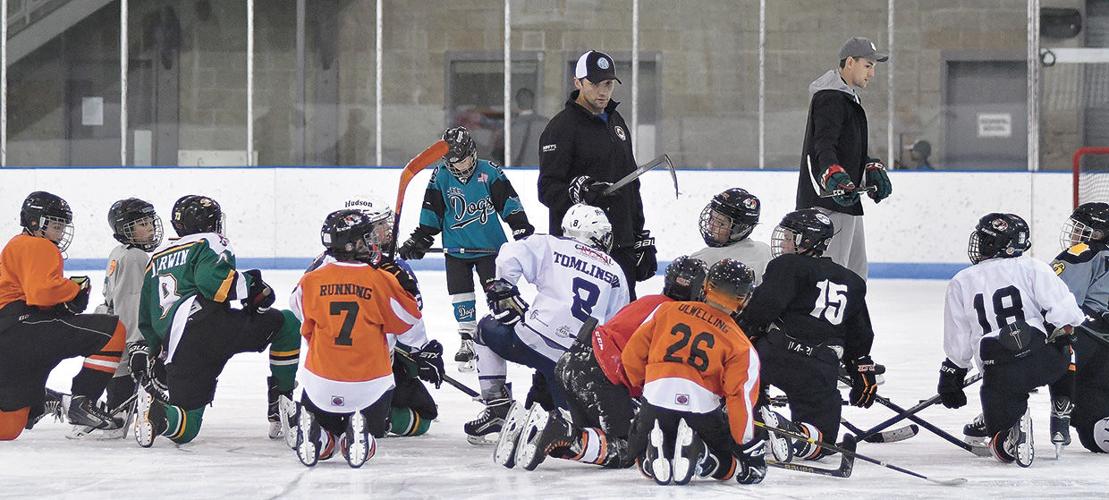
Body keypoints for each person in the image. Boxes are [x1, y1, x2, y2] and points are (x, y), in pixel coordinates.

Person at [133, 195, 303, 447]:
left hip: (176, 346)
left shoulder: (157, 256)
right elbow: (213, 284)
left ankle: (158, 415)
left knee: (186, 427)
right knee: (286, 323)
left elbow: (145, 317)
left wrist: (157, 352)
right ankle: (282, 401)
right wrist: (254, 285)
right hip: (207, 327)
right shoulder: (210, 241)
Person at [513, 256, 709, 471]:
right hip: (599, 373)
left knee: (596, 439)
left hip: (573, 359)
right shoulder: (678, 319)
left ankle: (527, 431)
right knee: (628, 449)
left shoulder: (649, 301)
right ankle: (558, 430)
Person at [465, 204, 629, 452]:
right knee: (570, 431)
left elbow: (509, 253)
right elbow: (617, 324)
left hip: (528, 338)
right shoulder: (615, 271)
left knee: (485, 329)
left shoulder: (551, 244)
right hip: (572, 361)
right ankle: (561, 421)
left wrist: (504, 286)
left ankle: (497, 405)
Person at [289, 209, 444, 468]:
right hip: (370, 385)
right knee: (388, 424)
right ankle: (361, 438)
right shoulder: (380, 279)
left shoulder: (310, 281)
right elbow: (408, 319)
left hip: (319, 383)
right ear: (354, 244)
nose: (371, 242)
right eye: (365, 237)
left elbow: (301, 316)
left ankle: (323, 440)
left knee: (326, 425)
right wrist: (404, 289)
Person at [936, 213, 1085, 467]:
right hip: (1043, 361)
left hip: (1000, 369)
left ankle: (1010, 429)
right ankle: (1061, 409)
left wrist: (952, 375)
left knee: (1001, 447)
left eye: (985, 238)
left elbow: (958, 342)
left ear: (1001, 244)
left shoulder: (962, 280)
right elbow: (1067, 316)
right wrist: (1059, 335)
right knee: (1067, 349)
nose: (979, 243)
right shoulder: (1034, 267)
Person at [736, 208, 879, 462]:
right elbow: (860, 334)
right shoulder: (853, 281)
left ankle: (754, 424)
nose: (783, 242)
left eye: (789, 237)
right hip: (820, 367)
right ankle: (793, 436)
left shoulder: (787, 264)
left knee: (743, 381)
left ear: (805, 241)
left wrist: (740, 338)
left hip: (775, 356)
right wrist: (862, 369)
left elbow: (761, 309)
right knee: (822, 441)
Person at [399, 126, 534, 372]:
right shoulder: (440, 175)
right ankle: (467, 341)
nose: (459, 167)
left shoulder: (490, 171)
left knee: (498, 293)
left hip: (490, 248)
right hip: (456, 249)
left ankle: (508, 333)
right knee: (461, 296)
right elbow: (433, 209)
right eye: (454, 163)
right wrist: (422, 237)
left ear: (472, 153)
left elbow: (508, 200)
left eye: (463, 161)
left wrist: (519, 225)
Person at [623, 259, 765, 486]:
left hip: (657, 397)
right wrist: (747, 447)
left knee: (637, 454)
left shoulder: (666, 310)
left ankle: (652, 454)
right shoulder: (741, 344)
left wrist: (645, 387)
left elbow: (632, 355)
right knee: (729, 464)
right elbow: (740, 397)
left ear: (706, 285)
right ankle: (702, 455)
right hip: (701, 410)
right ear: (744, 299)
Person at [0, 191, 127, 439]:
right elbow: (42, 293)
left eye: (61, 226)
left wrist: (63, 303)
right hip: (23, 329)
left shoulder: (15, 244)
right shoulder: (39, 245)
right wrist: (73, 288)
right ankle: (82, 401)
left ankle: (42, 399)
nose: (59, 232)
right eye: (54, 225)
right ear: (35, 222)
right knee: (113, 331)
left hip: (9, 336)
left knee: (8, 429)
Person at [538, 49, 656, 299]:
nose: (603, 91)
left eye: (609, 83)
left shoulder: (616, 121)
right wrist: (581, 193)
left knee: (622, 326)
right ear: (578, 82)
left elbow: (631, 183)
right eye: (594, 83)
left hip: (620, 245)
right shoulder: (560, 128)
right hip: (579, 250)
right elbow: (547, 190)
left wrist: (638, 235)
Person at [796, 36, 893, 280]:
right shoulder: (831, 97)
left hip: (846, 201)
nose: (872, 73)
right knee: (834, 278)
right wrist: (832, 173)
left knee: (855, 275)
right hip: (828, 204)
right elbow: (824, 144)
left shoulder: (846, 96)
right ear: (850, 62)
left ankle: (852, 319)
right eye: (868, 66)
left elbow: (846, 147)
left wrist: (867, 164)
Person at [70, 198, 165, 439]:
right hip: (123, 328)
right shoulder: (135, 258)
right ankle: (117, 411)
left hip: (109, 322)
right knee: (127, 374)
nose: (151, 228)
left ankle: (107, 407)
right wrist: (137, 342)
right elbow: (132, 304)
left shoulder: (119, 252)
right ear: (126, 229)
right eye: (142, 224)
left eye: (150, 222)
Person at [1045, 202, 1109, 454]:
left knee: (1036, 361)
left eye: (1080, 228)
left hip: (1086, 340)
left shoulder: (1082, 252)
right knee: (1095, 435)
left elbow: (1056, 302)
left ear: (1097, 234)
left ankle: (1001, 416)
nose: (1074, 234)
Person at [690, 188, 772, 285]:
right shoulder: (764, 251)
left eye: (720, 223)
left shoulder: (703, 259)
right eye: (711, 218)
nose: (711, 226)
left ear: (741, 229)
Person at [494, 88, 549, 166]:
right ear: (533, 101)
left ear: (517, 102)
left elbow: (499, 150)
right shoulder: (545, 123)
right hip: (538, 169)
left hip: (514, 168)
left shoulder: (509, 125)